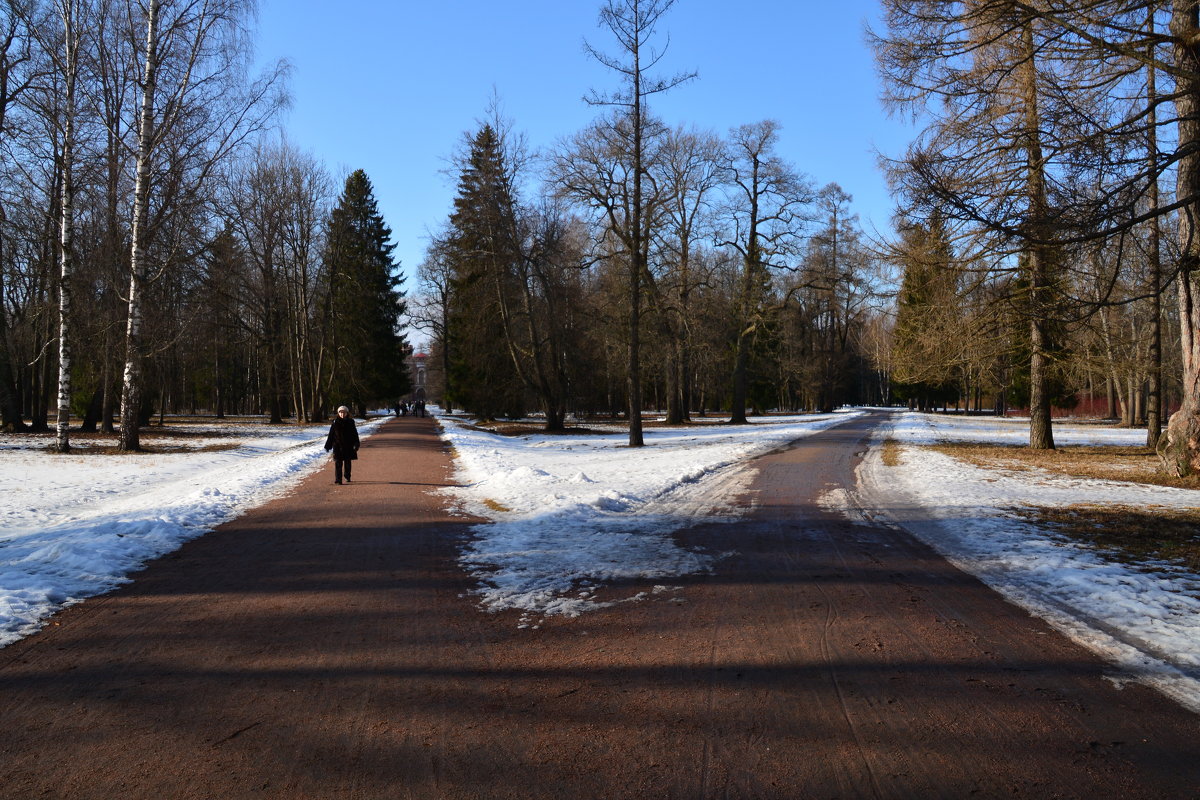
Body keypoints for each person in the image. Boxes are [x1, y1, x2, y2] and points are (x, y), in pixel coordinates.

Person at [324, 405, 360, 485]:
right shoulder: (335, 422)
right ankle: (338, 479)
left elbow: (355, 434)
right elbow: (331, 435)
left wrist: (356, 443)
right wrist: (328, 445)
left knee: (347, 462)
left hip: (348, 445)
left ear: (347, 413)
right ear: (338, 413)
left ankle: (347, 476)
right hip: (337, 446)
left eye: (344, 412)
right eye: (340, 412)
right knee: (338, 463)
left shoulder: (351, 422)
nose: (342, 414)